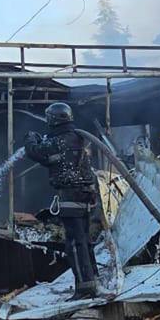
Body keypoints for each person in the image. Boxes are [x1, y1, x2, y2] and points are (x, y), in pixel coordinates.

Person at [24, 102, 100, 299]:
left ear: (53, 120)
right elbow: (50, 158)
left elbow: (34, 152)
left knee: (74, 243)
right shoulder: (77, 137)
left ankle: (85, 288)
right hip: (86, 196)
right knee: (85, 240)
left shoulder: (58, 141)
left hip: (71, 196)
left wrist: (30, 138)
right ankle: (94, 279)